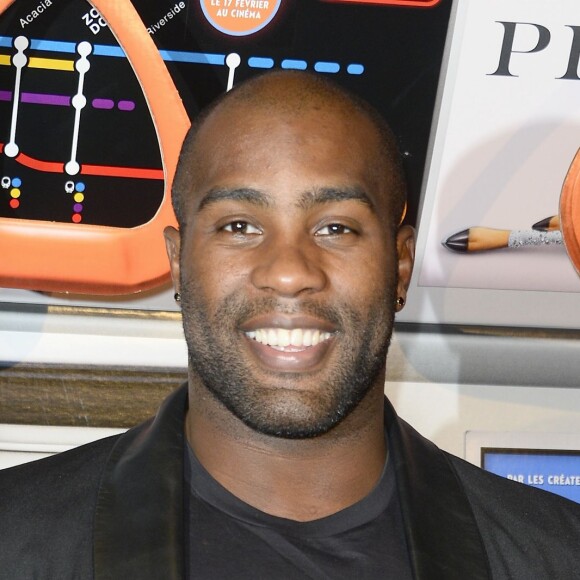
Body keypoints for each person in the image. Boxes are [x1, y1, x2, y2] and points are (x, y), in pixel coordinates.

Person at [1, 71, 580, 579]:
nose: (288, 273)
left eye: (336, 228)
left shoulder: (557, 556)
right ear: (178, 264)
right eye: (238, 226)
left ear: (400, 267)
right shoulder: (16, 540)